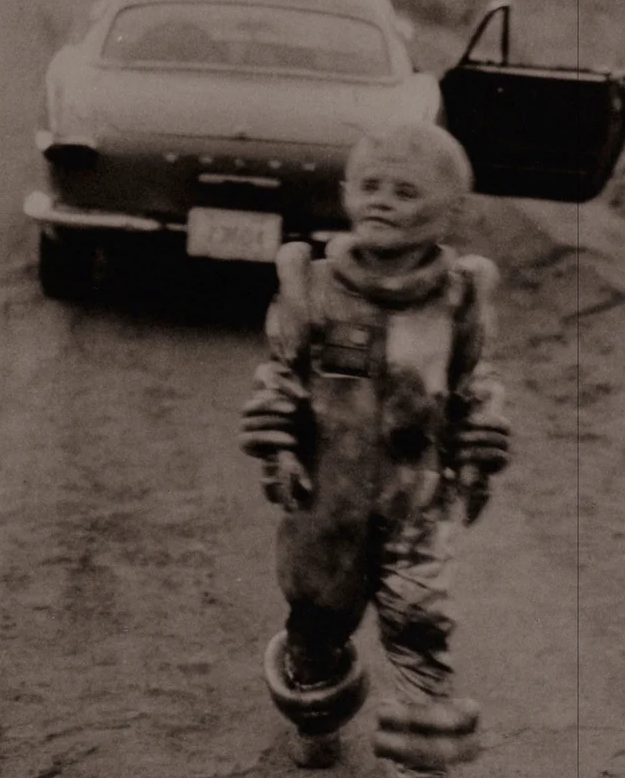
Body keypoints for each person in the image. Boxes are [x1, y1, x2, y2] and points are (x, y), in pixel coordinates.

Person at [237, 121, 512, 777]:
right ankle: (318, 714)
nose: (383, 201)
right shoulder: (317, 287)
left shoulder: (457, 298)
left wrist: (475, 455)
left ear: (452, 210)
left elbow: (475, 385)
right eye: (370, 186)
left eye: (406, 191)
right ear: (345, 194)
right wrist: (281, 448)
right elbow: (280, 374)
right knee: (316, 626)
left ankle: (417, 760)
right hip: (325, 503)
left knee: (421, 629)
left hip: (417, 501)